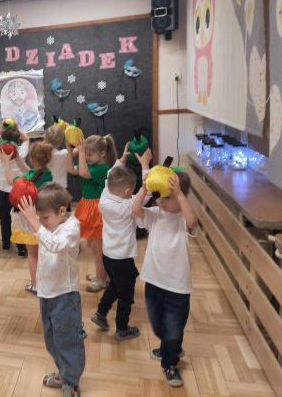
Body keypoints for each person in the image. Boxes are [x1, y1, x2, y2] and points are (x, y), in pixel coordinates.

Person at [132, 171, 198, 388]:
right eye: (159, 195)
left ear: (182, 196)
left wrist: (178, 194)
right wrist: (145, 188)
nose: (161, 201)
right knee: (159, 325)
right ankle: (170, 345)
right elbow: (135, 210)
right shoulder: (155, 214)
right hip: (153, 281)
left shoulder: (183, 219)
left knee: (173, 327)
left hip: (178, 286)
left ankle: (170, 363)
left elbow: (193, 221)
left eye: (167, 197)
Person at [17, 184, 84, 397]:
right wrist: (22, 211)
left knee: (67, 339)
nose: (42, 222)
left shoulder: (71, 227)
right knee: (52, 339)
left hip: (65, 295)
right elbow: (29, 228)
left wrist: (36, 222)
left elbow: (56, 245)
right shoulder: (49, 223)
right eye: (40, 217)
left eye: (45, 217)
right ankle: (64, 372)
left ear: (62, 211)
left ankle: (71, 381)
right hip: (46, 292)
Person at [90, 145, 152, 341]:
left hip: (108, 255)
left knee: (116, 284)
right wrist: (145, 167)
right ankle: (122, 328)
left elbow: (111, 175)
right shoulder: (128, 206)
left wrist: (121, 160)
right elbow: (147, 194)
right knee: (126, 293)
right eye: (131, 191)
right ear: (127, 191)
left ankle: (101, 313)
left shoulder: (104, 197)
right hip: (122, 258)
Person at [1, 141, 53, 295]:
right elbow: (31, 171)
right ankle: (46, 281)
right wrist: (17, 159)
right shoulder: (47, 173)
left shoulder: (29, 177)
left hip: (30, 219)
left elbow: (10, 180)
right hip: (43, 218)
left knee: (33, 254)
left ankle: (35, 285)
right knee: (43, 253)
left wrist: (6, 162)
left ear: (32, 158)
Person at [67, 135, 117, 292]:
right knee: (93, 245)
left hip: (97, 209)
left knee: (97, 247)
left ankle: (101, 279)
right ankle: (103, 275)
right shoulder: (91, 165)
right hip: (88, 206)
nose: (87, 157)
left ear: (102, 153)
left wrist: (81, 152)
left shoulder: (103, 168)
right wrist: (69, 150)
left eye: (90, 154)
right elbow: (71, 169)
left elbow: (82, 172)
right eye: (86, 154)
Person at [0, 120, 30, 255]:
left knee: (4, 218)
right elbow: (27, 139)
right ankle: (21, 248)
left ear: (2, 139)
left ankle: (6, 243)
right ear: (17, 141)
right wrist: (17, 128)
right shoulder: (20, 152)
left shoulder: (0, 152)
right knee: (20, 219)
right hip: (19, 192)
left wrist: (1, 129)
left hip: (2, 192)